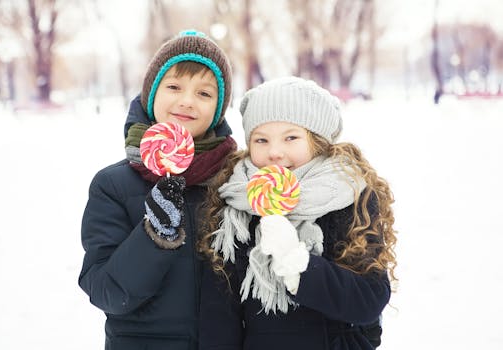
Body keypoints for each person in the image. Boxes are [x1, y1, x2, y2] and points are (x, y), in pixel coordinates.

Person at [198, 77, 397, 349]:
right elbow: (220, 312)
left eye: (291, 137)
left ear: (317, 142)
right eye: (261, 140)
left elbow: (368, 299)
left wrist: (297, 263)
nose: (275, 152)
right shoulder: (234, 202)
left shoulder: (349, 195)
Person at [78, 30, 236, 350]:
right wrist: (154, 237)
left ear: (219, 109)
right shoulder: (112, 186)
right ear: (151, 95)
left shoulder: (238, 184)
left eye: (204, 94)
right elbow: (107, 292)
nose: (187, 101)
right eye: (174, 87)